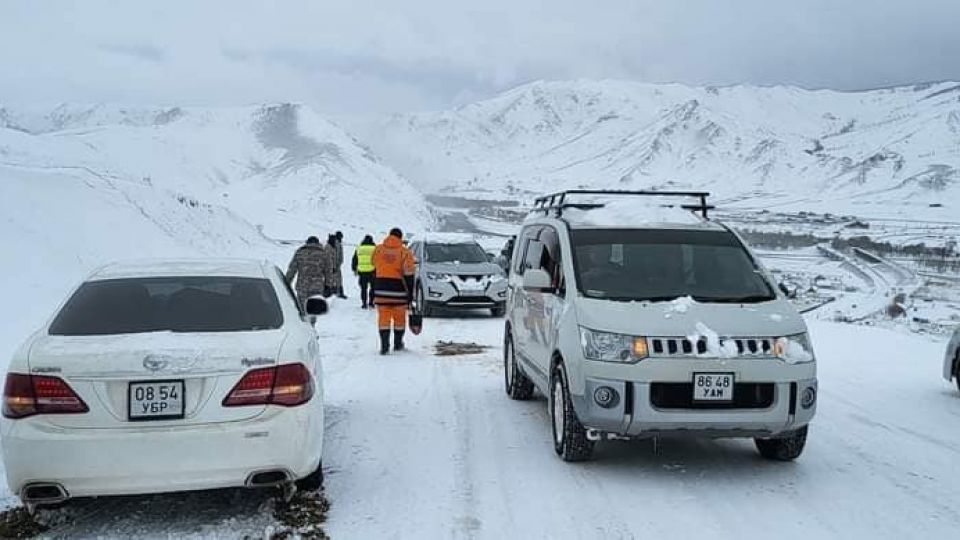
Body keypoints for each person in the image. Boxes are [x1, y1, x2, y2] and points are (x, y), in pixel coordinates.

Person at [372, 228, 416, 355]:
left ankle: (384, 346)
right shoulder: (405, 252)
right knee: (399, 320)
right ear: (400, 238)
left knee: (383, 319)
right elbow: (409, 274)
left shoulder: (378, 249)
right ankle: (398, 344)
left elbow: (373, 264)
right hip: (399, 292)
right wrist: (410, 295)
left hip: (381, 291)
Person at [285, 236, 333, 321]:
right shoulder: (324, 254)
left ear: (307, 242)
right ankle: (311, 328)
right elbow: (328, 271)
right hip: (317, 287)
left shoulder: (300, 252)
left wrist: (286, 283)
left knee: (302, 310)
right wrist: (328, 285)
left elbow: (292, 269)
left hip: (302, 286)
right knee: (313, 310)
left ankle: (303, 328)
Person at [352, 234, 376, 309]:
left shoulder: (359, 248)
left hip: (362, 271)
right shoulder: (375, 248)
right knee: (373, 287)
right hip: (372, 271)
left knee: (363, 288)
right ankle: (371, 302)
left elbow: (354, 260)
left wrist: (354, 269)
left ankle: (364, 303)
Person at [334, 231, 347, 299]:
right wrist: (337, 264)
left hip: (335, 264)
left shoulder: (335, 243)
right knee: (338, 279)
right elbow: (338, 255)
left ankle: (337, 292)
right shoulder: (337, 244)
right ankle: (339, 292)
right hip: (336, 265)